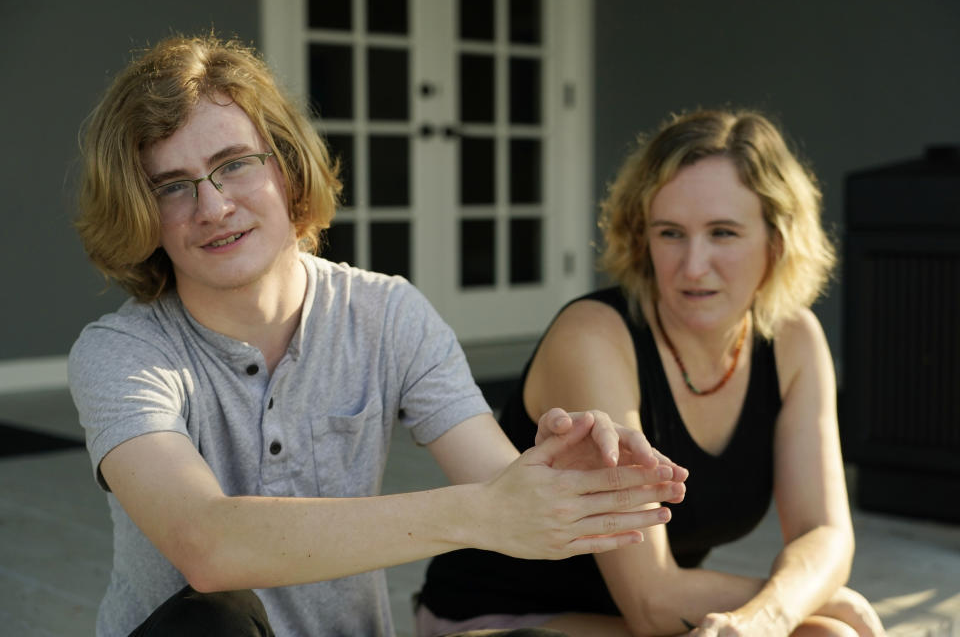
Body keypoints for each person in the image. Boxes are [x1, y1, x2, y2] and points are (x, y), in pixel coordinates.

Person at [67, 34, 689, 637]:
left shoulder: (386, 312)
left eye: (233, 165)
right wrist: (479, 513)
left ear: (286, 169)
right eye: (172, 186)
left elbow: (501, 489)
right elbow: (208, 545)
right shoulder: (122, 353)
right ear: (141, 211)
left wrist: (558, 478)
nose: (212, 206)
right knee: (213, 617)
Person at [417, 110, 887, 636]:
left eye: (723, 233)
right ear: (643, 239)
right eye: (671, 234)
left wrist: (777, 612)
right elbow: (651, 599)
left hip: (636, 612)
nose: (693, 265)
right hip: (502, 616)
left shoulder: (793, 340)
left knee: (826, 629)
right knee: (832, 625)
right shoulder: (594, 338)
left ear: (776, 242)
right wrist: (820, 603)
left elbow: (822, 530)